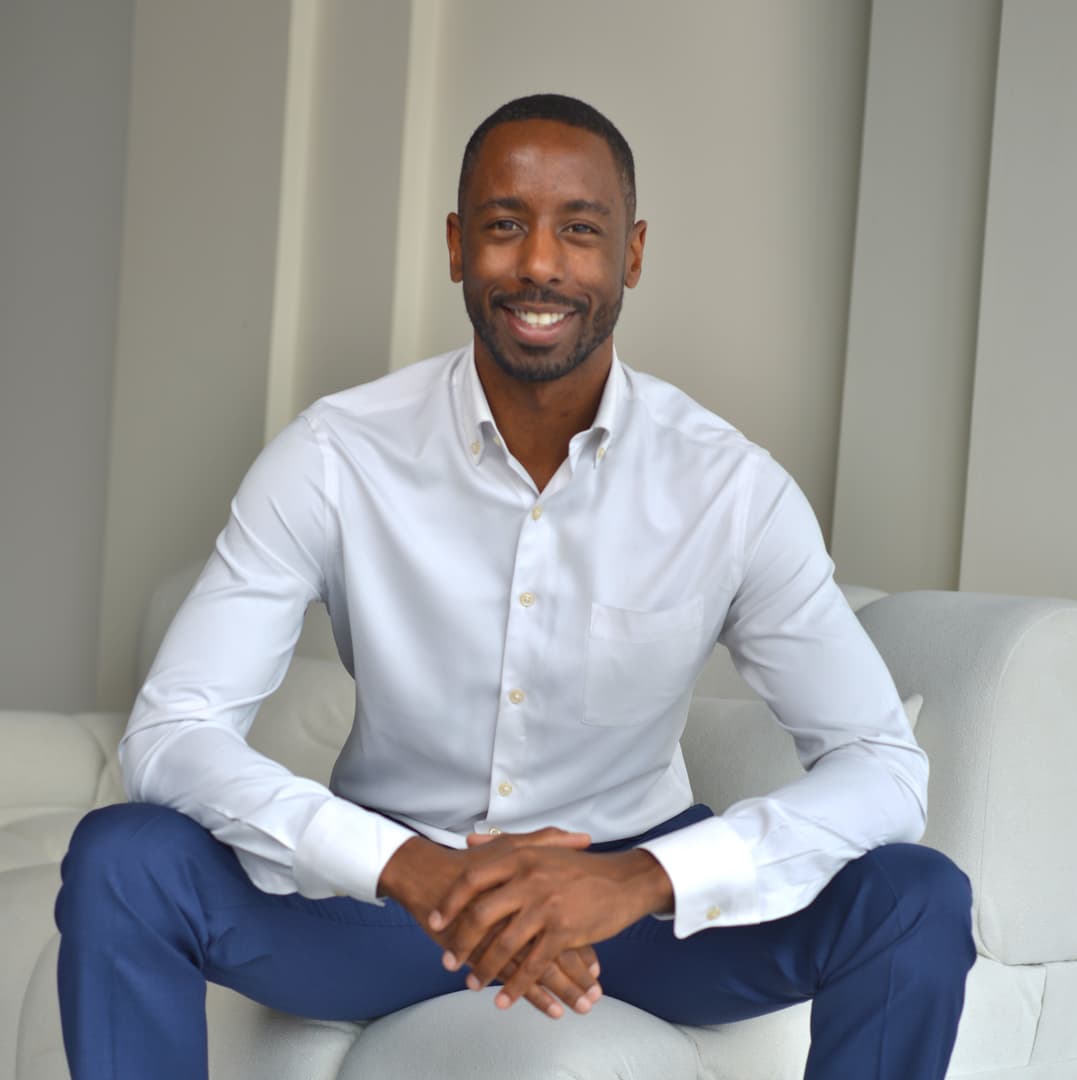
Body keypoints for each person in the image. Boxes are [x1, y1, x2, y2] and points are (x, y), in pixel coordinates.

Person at [55, 94, 975, 1079]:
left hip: (641, 918)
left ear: (633, 254)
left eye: (580, 230)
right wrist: (405, 867)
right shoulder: (334, 457)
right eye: (505, 226)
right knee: (124, 858)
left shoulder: (731, 490)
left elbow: (883, 768)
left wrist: (642, 878)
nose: (541, 263)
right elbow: (172, 730)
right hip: (390, 904)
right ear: (458, 246)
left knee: (917, 895)